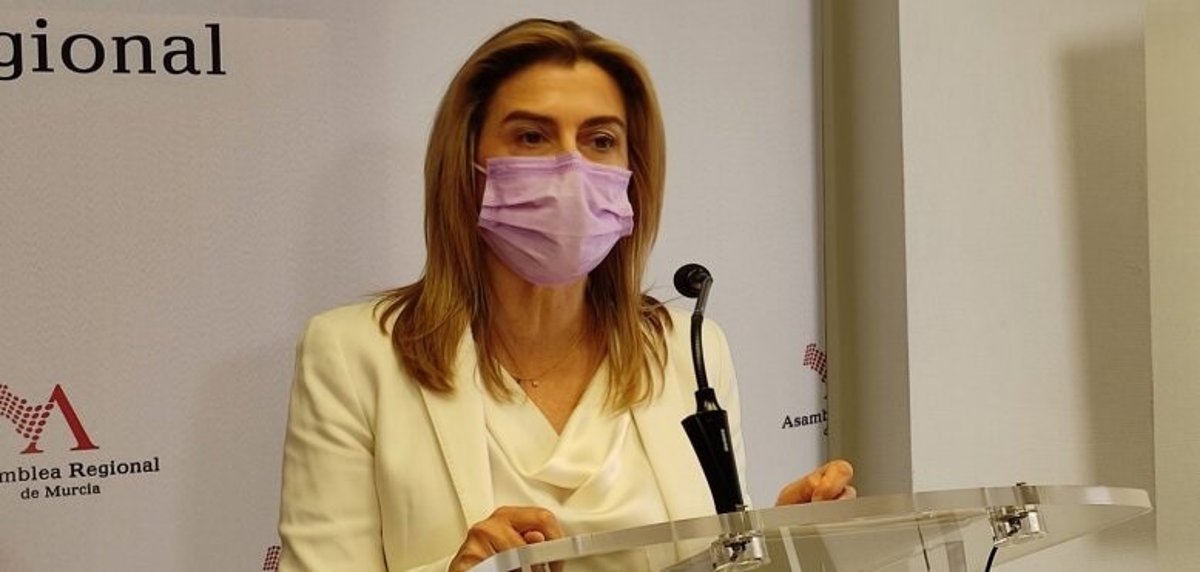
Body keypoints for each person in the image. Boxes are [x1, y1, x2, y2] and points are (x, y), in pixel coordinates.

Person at [278, 18, 854, 572]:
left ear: (632, 170)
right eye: (532, 136)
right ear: (468, 161)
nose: (570, 169)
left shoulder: (689, 352)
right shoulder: (356, 355)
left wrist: (779, 543)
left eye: (600, 140)